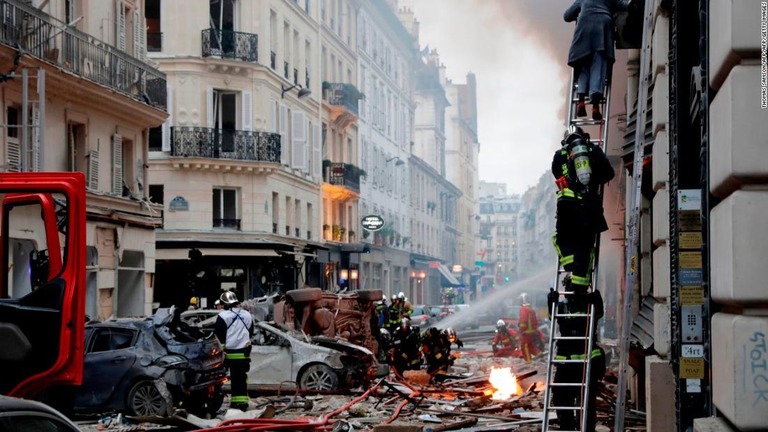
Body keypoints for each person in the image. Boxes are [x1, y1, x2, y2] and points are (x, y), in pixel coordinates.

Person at [551, 125, 615, 294]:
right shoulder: (593, 150)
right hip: (588, 207)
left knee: (562, 238)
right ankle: (579, 288)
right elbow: (609, 173)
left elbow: (557, 174)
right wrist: (594, 180)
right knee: (584, 246)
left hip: (565, 206)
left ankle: (569, 264)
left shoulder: (559, 155)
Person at [547, 276, 606, 432]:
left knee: (586, 404)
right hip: (566, 363)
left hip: (586, 364)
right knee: (560, 397)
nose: (570, 292)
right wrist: (551, 302)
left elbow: (599, 313)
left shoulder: (589, 304)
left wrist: (597, 300)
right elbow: (552, 317)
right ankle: (567, 427)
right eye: (568, 287)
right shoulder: (562, 307)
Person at [564, 0, 633, 120]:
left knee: (583, 65)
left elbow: (567, 16)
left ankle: (581, 102)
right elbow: (626, 6)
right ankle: (595, 106)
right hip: (602, 28)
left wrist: (578, 14)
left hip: (584, 29)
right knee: (598, 66)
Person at [214, 291, 254, 411]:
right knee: (241, 379)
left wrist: (222, 351)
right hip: (244, 353)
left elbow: (219, 336)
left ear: (224, 304)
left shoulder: (223, 316)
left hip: (228, 354)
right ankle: (241, 403)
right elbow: (250, 332)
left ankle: (223, 401)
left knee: (221, 379)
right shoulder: (247, 315)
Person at [517, 293, 540, 363]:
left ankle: (528, 361)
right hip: (532, 331)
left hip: (526, 332)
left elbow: (523, 321)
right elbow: (535, 321)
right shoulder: (531, 309)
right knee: (530, 345)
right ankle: (538, 353)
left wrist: (521, 330)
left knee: (524, 346)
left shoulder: (523, 309)